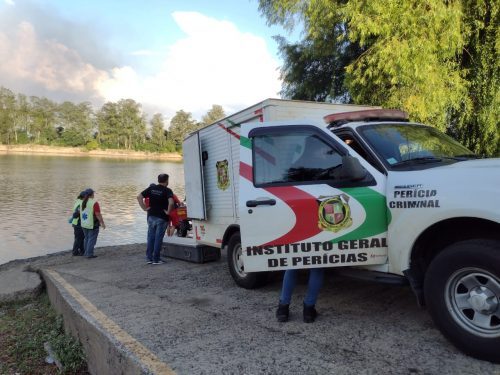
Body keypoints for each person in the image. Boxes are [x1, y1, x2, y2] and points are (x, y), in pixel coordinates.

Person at [137, 173, 174, 264]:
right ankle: (156, 259)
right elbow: (171, 203)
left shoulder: (151, 188)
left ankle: (149, 258)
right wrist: (168, 212)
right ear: (167, 181)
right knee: (158, 238)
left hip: (151, 216)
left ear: (158, 180)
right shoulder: (167, 190)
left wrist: (144, 208)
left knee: (150, 237)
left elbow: (139, 197)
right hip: (161, 217)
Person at [79, 188, 106, 259]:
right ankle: (89, 254)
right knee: (91, 239)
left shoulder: (82, 202)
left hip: (84, 224)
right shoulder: (94, 203)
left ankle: (85, 253)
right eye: (93, 193)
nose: (94, 194)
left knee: (86, 238)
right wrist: (102, 223)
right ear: (91, 194)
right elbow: (98, 214)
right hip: (92, 224)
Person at [70, 191, 86, 256]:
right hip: (78, 223)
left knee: (80, 238)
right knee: (79, 238)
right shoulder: (81, 203)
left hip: (75, 222)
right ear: (84, 196)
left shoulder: (78, 201)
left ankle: (82, 251)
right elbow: (76, 214)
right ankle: (75, 252)